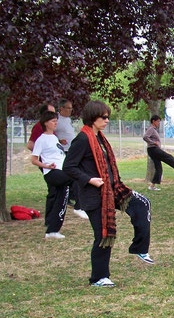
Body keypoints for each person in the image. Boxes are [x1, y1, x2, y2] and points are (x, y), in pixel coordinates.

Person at [63, 100, 154, 287]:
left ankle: (139, 247)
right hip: (94, 195)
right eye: (103, 117)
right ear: (92, 117)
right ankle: (98, 277)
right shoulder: (82, 139)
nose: (106, 120)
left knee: (142, 204)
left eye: (108, 117)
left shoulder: (100, 139)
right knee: (103, 235)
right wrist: (90, 180)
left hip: (113, 190)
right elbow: (69, 167)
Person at [31, 111, 73, 239]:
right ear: (45, 123)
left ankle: (52, 231)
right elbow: (34, 159)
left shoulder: (54, 137)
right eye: (53, 121)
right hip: (52, 173)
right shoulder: (41, 139)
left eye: (56, 120)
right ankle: (79, 206)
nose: (56, 123)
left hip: (61, 171)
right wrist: (46, 166)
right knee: (76, 178)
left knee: (61, 202)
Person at [56, 98, 88, 219]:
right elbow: (50, 132)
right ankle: (71, 197)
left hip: (72, 149)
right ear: (61, 108)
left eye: (71, 108)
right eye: (68, 108)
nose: (70, 110)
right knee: (71, 172)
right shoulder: (57, 120)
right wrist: (58, 140)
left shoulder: (67, 120)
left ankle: (73, 195)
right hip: (63, 150)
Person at [143, 115, 174, 191]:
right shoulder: (151, 129)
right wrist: (153, 143)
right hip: (153, 149)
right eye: (158, 121)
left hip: (153, 149)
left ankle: (152, 186)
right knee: (169, 157)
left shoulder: (153, 129)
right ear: (153, 121)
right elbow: (145, 137)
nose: (159, 123)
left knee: (159, 168)